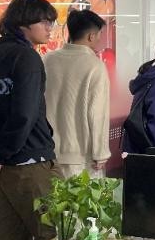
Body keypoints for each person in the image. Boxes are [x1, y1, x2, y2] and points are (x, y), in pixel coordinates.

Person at [0, 0, 63, 240]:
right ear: (23, 23)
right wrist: (0, 155)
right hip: (29, 160)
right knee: (57, 233)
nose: (49, 28)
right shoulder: (26, 57)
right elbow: (24, 113)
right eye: (44, 21)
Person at [44, 10, 110, 178]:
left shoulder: (47, 60)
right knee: (82, 195)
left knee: (52, 195)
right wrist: (100, 152)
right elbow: (97, 114)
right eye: (100, 34)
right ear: (91, 36)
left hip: (47, 153)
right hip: (81, 157)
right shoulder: (95, 66)